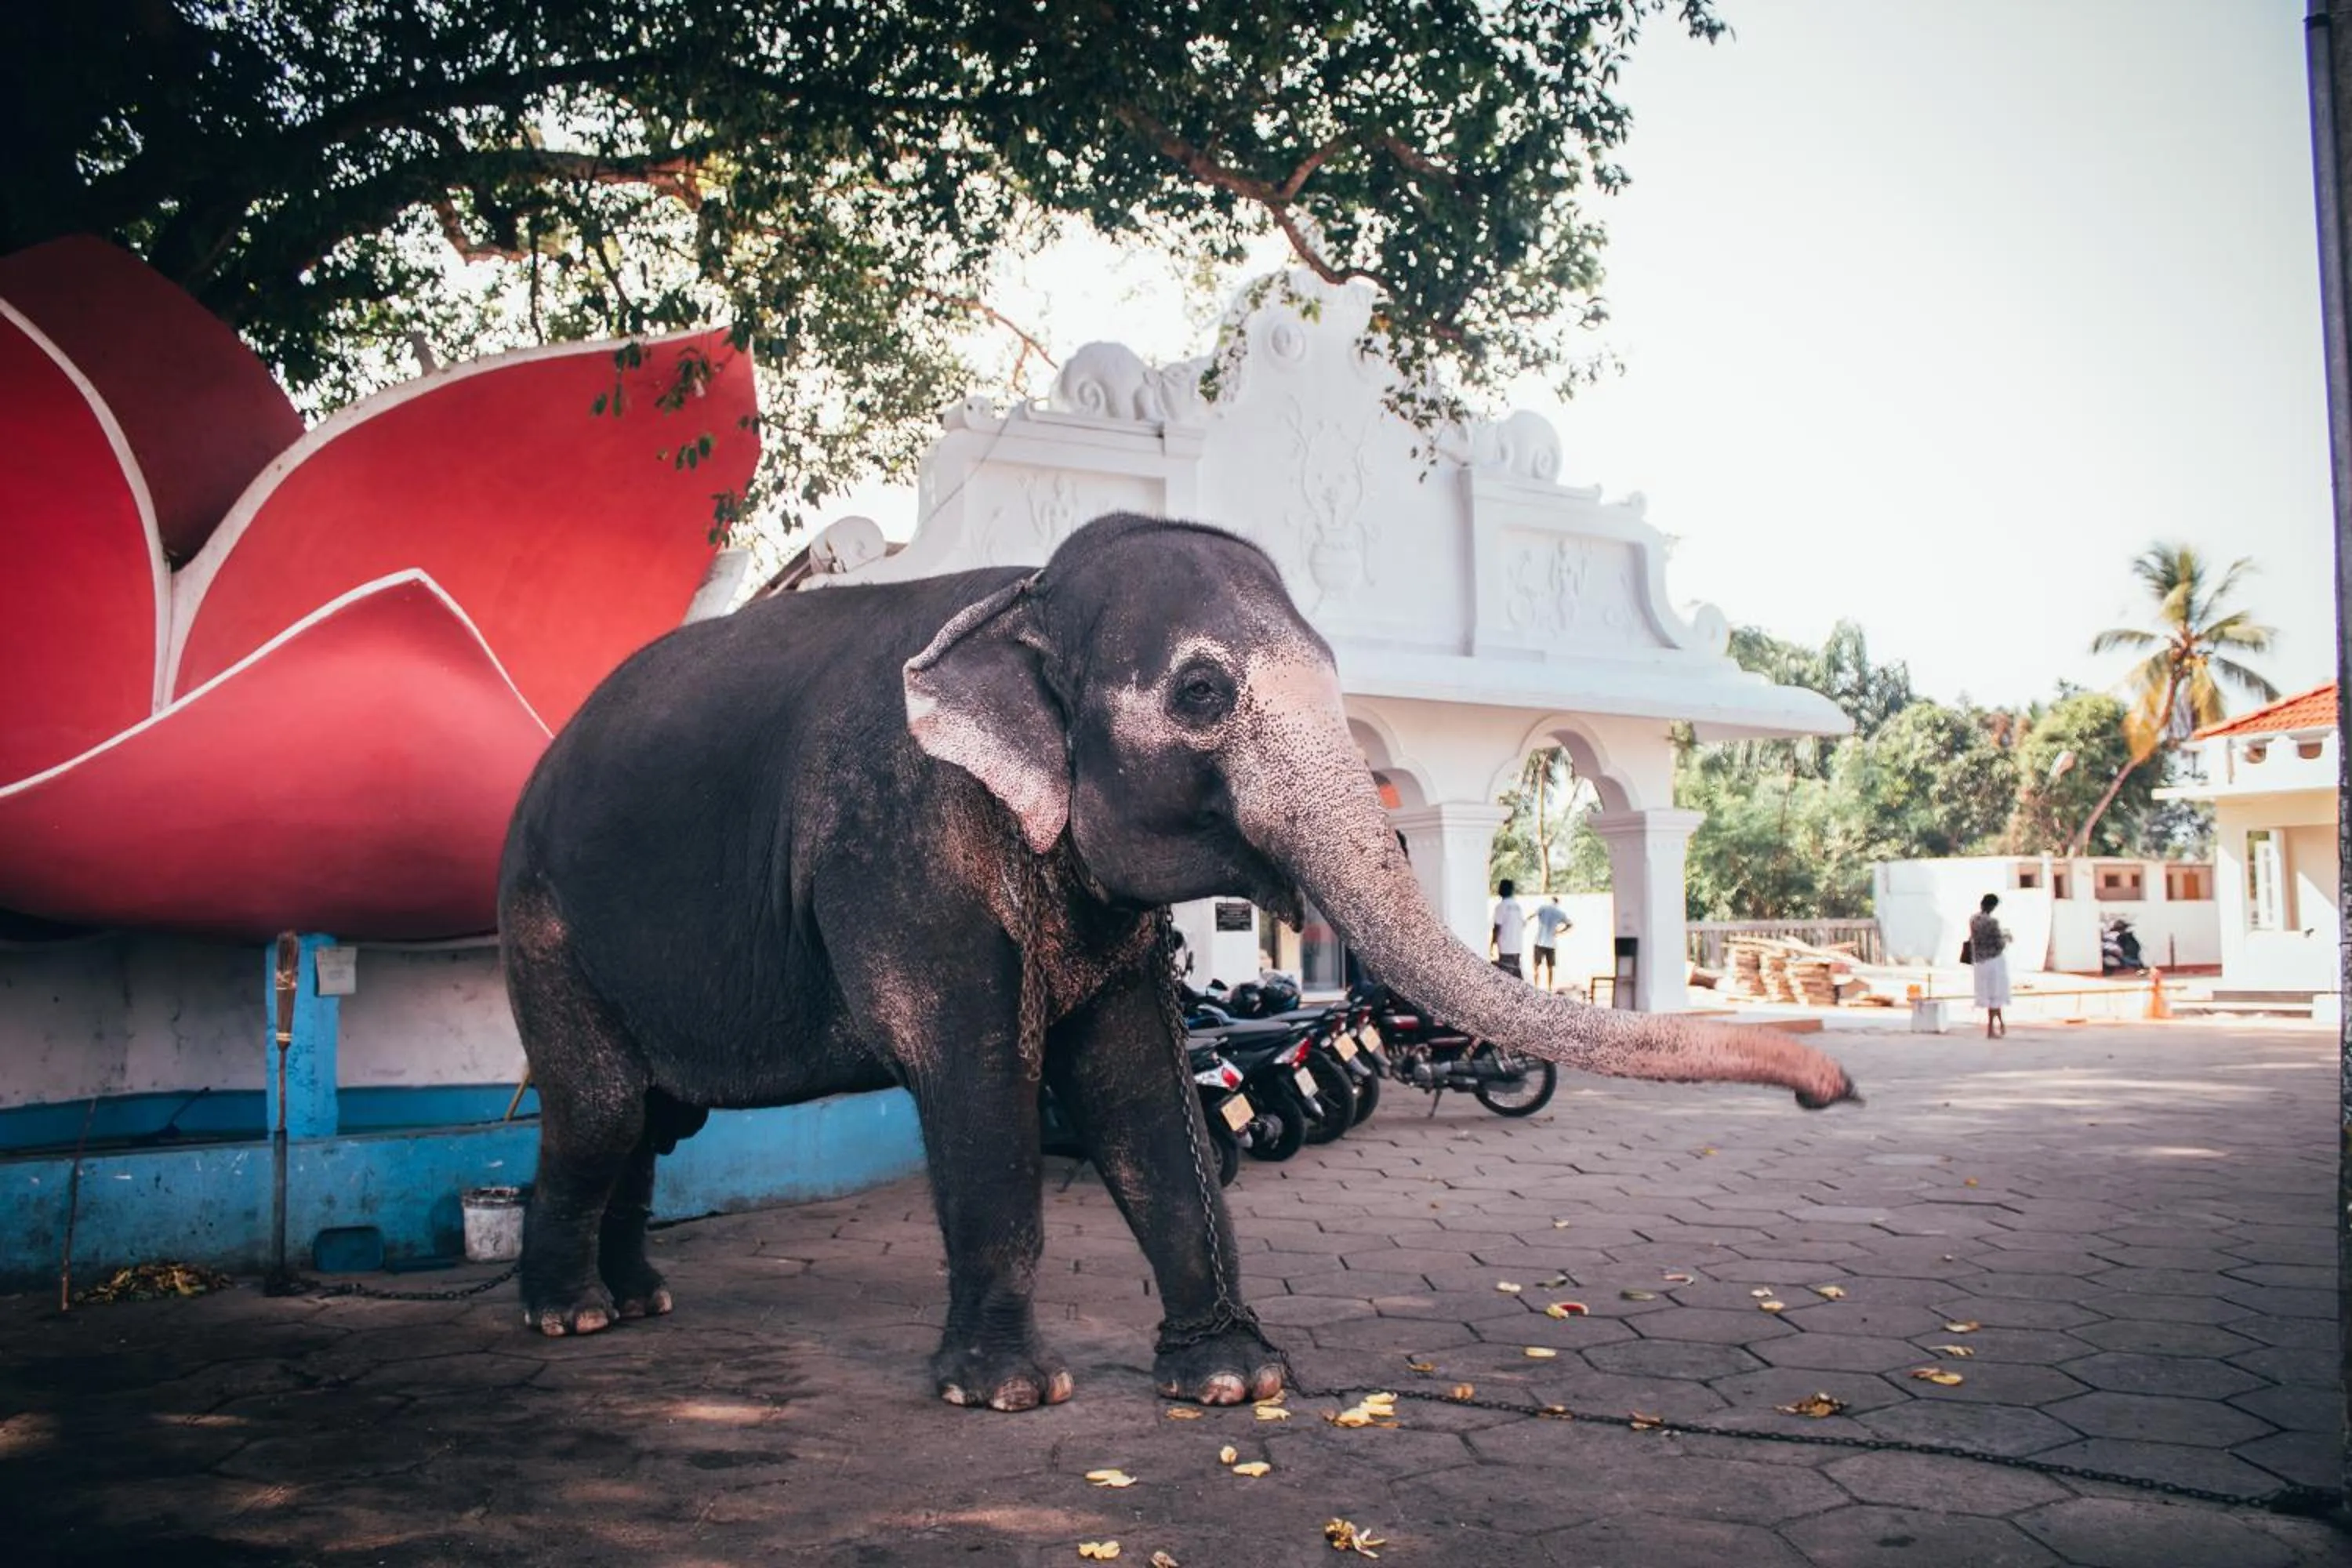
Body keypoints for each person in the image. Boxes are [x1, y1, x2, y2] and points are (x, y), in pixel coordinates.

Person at [1969, 893, 2011, 1039]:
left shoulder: (1974, 920)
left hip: (1980, 961)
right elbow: (1999, 944)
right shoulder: (1992, 922)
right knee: (1996, 994)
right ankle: (1991, 1029)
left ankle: (1999, 1024)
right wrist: (2006, 938)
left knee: (1990, 995)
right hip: (1994, 960)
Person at [1530, 895, 1573, 989]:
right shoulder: (1560, 913)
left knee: (1536, 966)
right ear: (1557, 903)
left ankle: (1536, 987)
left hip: (1539, 941)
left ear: (1550, 901)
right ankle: (1549, 988)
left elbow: (1532, 916)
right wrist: (1559, 932)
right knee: (1550, 968)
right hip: (1551, 943)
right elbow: (1570, 924)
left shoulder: (1543, 908)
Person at [1490, 879, 1526, 978]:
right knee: (1516, 976)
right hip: (1517, 947)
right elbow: (1523, 924)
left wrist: (1492, 945)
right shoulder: (1518, 907)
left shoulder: (1501, 907)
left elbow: (1497, 927)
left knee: (1507, 978)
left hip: (1505, 948)